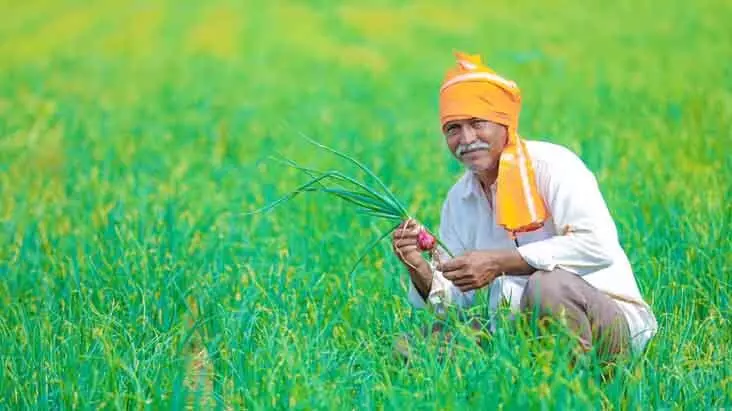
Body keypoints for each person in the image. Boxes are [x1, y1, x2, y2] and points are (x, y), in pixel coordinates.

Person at [391, 52, 657, 359]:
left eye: (477, 123)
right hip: (513, 329)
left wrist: (500, 262)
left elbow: (598, 246)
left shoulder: (553, 166)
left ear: (504, 124)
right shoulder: (459, 198)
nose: (466, 138)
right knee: (412, 347)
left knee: (547, 287)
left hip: (606, 324)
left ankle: (581, 393)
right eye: (453, 128)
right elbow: (454, 301)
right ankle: (521, 385)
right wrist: (417, 265)